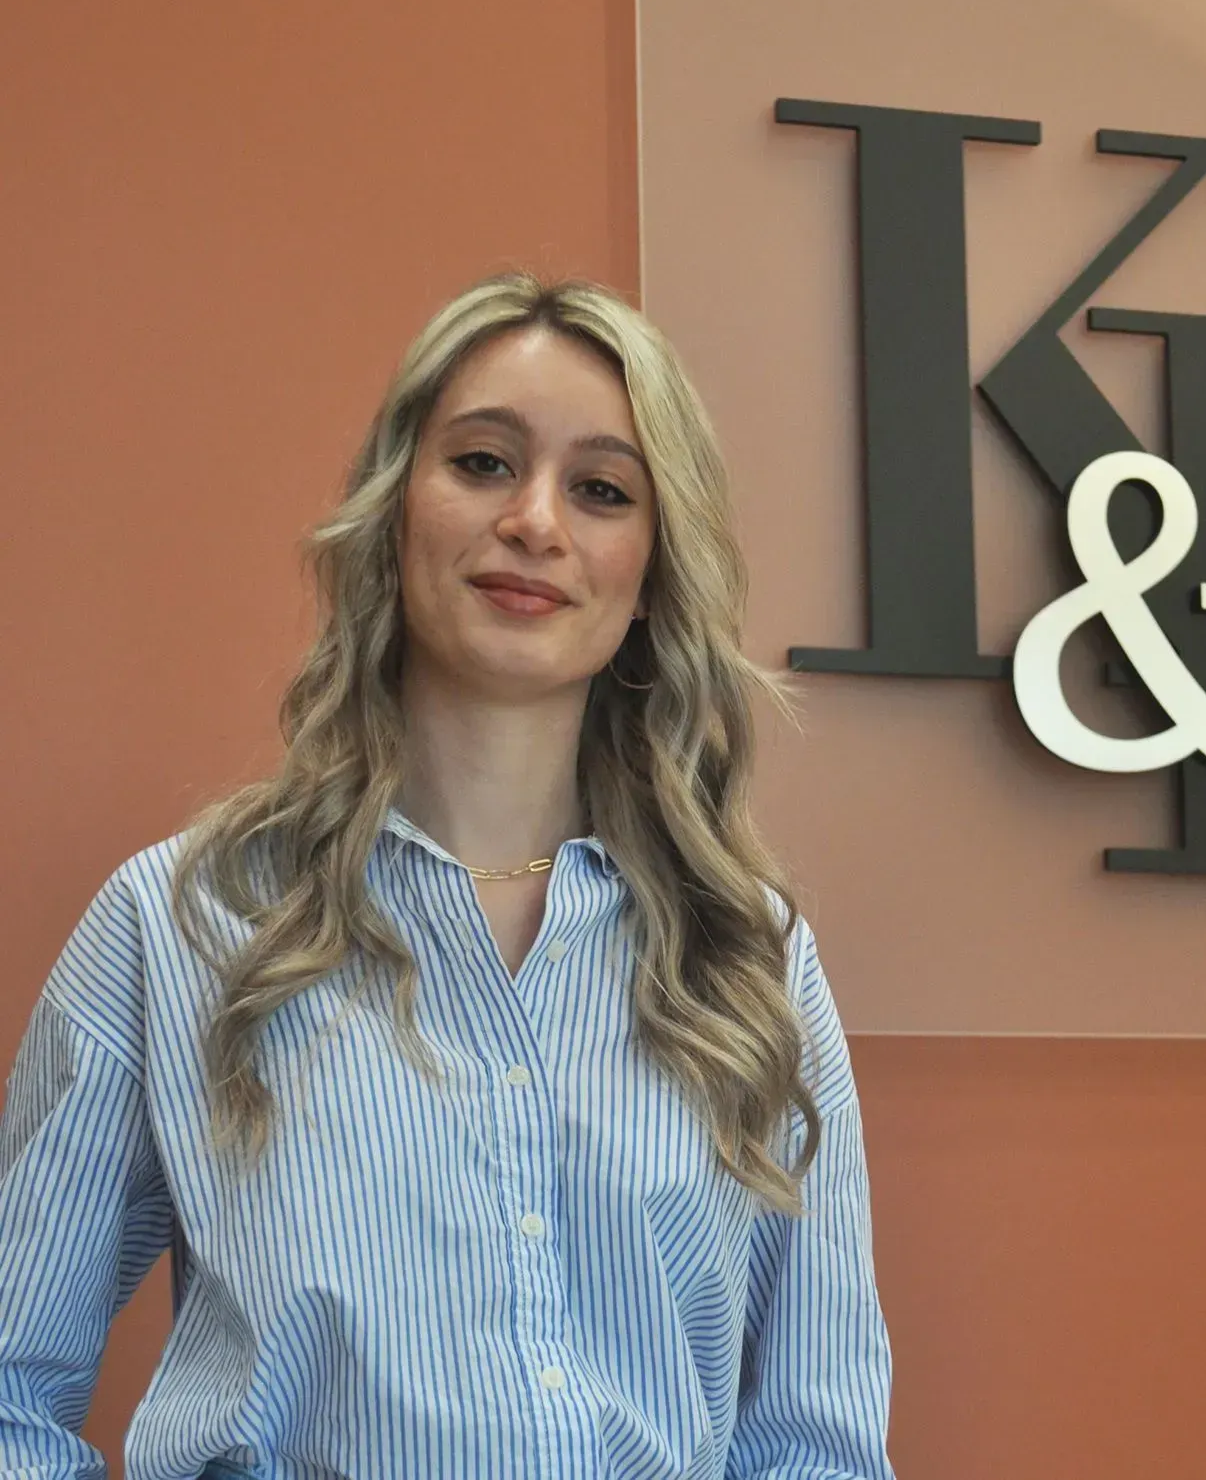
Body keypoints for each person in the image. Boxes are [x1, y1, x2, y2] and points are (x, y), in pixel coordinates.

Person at [0, 274, 897, 1479]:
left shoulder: (749, 958)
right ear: (394, 511)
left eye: (601, 489)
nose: (535, 521)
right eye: (483, 463)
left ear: (650, 572)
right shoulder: (183, 922)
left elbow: (816, 1447)